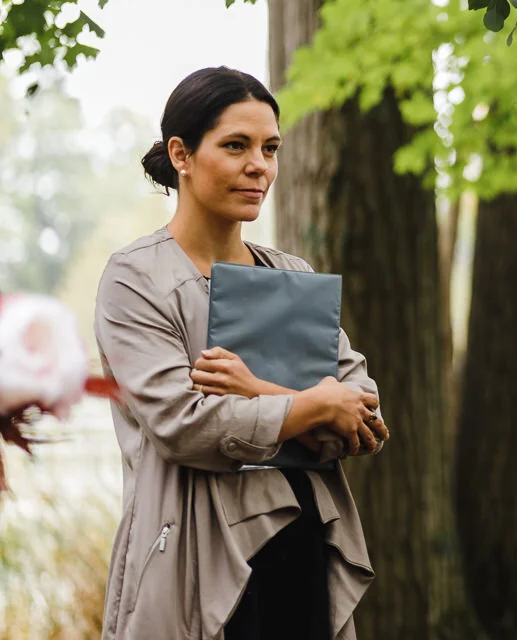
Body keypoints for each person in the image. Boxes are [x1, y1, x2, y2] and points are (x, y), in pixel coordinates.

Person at [95, 67, 390, 640]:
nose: (260, 166)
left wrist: (259, 390)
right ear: (181, 154)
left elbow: (364, 417)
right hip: (195, 561)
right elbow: (185, 426)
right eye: (236, 146)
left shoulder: (292, 275)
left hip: (304, 551)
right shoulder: (137, 279)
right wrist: (316, 405)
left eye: (270, 148)